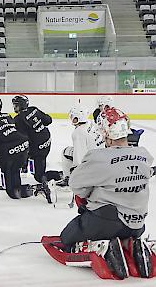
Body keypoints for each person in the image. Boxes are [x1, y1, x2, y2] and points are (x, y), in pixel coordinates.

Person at [59, 107, 154, 279]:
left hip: (104, 223)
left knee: (66, 238)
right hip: (137, 225)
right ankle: (130, 242)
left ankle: (101, 245)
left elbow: (75, 184)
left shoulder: (98, 157)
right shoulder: (144, 155)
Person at [11, 95, 57, 202]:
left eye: (15, 105)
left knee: (38, 175)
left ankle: (45, 185)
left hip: (37, 148)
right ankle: (58, 175)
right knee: (39, 163)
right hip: (47, 141)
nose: (14, 107)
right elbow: (48, 120)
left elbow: (22, 139)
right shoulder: (34, 109)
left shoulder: (18, 119)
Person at [60, 106, 104, 186]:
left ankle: (68, 179)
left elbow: (79, 154)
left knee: (65, 152)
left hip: (92, 160)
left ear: (77, 118)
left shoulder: (78, 132)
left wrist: (76, 170)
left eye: (72, 116)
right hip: (101, 156)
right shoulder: (90, 123)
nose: (71, 118)